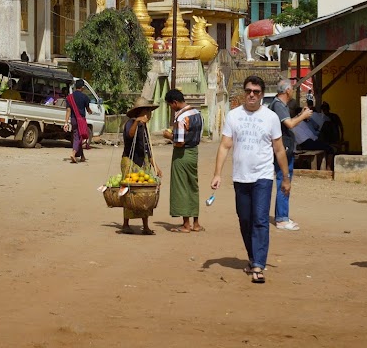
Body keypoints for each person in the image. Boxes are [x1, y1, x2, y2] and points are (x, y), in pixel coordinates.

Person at [211, 75, 291, 284]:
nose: (252, 95)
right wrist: (217, 174)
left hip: (263, 176)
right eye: (248, 91)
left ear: (262, 95)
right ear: (244, 93)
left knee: (261, 220)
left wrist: (285, 177)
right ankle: (253, 257)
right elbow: (225, 145)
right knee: (245, 220)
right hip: (240, 177)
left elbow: (279, 149)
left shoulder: (271, 117)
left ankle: (258, 265)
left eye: (256, 92)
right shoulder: (234, 116)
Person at [268, 79, 313, 231]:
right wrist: (304, 116)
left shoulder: (280, 105)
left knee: (284, 179)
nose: (292, 91)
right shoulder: (279, 106)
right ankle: (281, 218)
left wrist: (300, 114)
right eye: (292, 89)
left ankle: (282, 215)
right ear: (287, 90)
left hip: (284, 147)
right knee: (284, 179)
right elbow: (290, 124)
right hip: (283, 148)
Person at [162, 89, 204, 233]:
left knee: (181, 187)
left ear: (174, 103)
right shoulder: (197, 113)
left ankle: (186, 224)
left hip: (182, 154)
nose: (171, 108)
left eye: (170, 105)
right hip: (194, 152)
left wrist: (168, 135)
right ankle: (196, 223)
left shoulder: (181, 118)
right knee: (193, 186)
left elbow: (179, 141)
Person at [120, 97, 162, 235]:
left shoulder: (145, 127)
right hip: (130, 161)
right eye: (148, 112)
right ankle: (126, 224)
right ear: (142, 112)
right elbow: (130, 135)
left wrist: (155, 166)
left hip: (143, 162)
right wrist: (137, 121)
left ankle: (146, 226)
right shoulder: (130, 123)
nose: (150, 115)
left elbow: (148, 148)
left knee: (145, 194)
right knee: (130, 193)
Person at [64, 79, 93, 163]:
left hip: (73, 119)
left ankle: (82, 156)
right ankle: (73, 154)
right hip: (81, 121)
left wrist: (66, 122)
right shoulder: (85, 97)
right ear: (83, 87)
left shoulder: (70, 97)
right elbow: (88, 110)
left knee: (78, 137)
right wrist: (91, 112)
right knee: (78, 137)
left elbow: (68, 110)